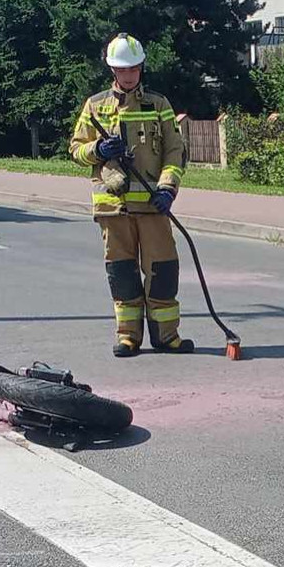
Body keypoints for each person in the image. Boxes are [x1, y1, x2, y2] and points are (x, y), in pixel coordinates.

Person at [69, 33, 192, 357]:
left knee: (163, 271)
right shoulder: (95, 106)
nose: (129, 75)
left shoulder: (158, 104)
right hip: (114, 208)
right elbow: (76, 149)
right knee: (122, 274)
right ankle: (128, 337)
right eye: (123, 70)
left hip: (153, 205)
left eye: (134, 69)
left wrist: (167, 189)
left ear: (141, 68)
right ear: (113, 70)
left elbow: (175, 152)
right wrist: (98, 148)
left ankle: (167, 336)